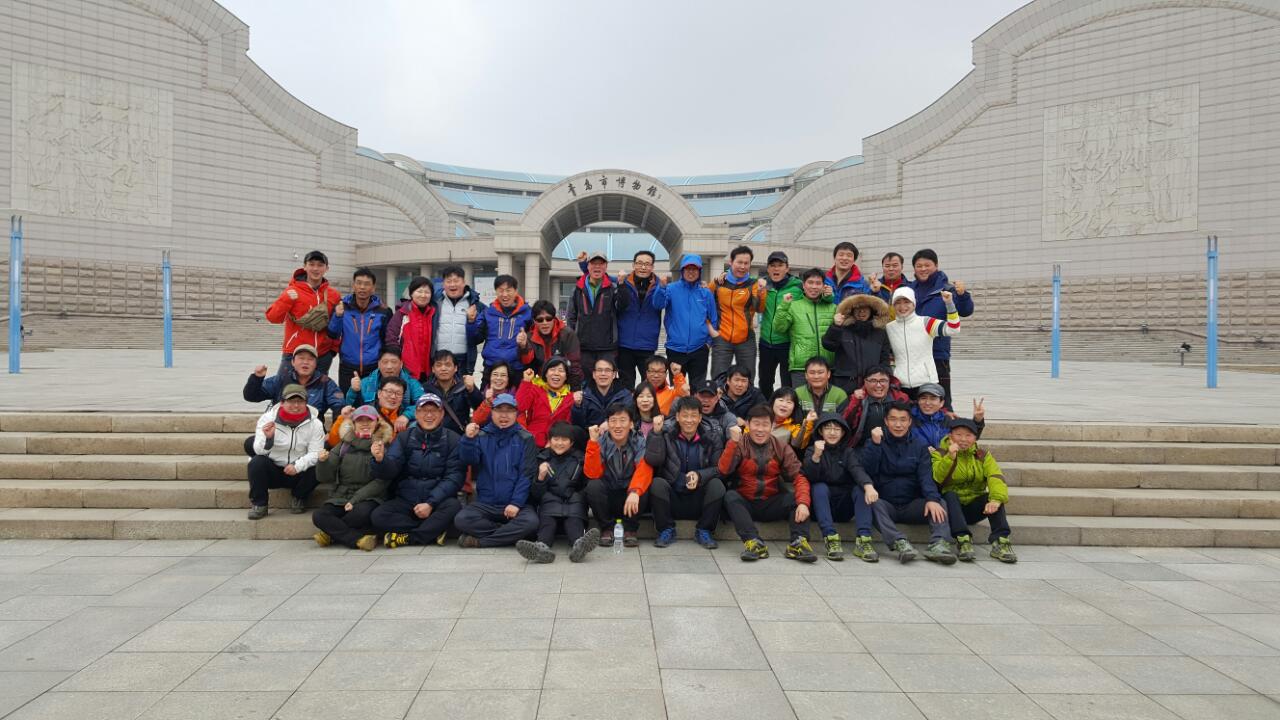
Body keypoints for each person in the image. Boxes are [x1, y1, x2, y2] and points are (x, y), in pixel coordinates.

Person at [860, 402, 956, 564]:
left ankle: (939, 544)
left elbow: (926, 476)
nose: (898, 425)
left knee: (939, 502)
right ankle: (899, 542)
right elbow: (868, 470)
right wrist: (875, 445)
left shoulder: (920, 445)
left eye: (903, 420)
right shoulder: (875, 442)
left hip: (912, 504)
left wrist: (932, 499)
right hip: (886, 503)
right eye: (893, 419)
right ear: (886, 421)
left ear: (910, 422)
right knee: (870, 502)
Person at [719, 405, 815, 563]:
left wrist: (803, 503)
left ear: (772, 426)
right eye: (756, 424)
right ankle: (753, 542)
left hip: (771, 502)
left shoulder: (781, 447)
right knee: (730, 496)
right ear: (748, 425)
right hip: (745, 503)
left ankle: (798, 543)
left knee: (797, 499)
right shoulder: (740, 443)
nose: (760, 429)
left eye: (765, 425)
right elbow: (724, 469)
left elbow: (799, 476)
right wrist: (732, 443)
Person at [370, 394, 465, 549]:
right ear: (416, 414)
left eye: (434, 411)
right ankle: (432, 530)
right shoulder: (404, 438)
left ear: (442, 414)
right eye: (424, 410)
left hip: (437, 501)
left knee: (453, 506)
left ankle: (409, 538)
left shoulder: (453, 439)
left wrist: (430, 503)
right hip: (407, 499)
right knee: (378, 516)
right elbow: (391, 469)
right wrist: (381, 460)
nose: (429, 415)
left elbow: (454, 477)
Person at [455, 394, 540, 547]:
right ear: (492, 412)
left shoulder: (526, 438)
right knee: (462, 519)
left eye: (509, 411)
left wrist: (516, 503)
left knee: (531, 522)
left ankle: (480, 542)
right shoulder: (482, 435)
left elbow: (527, 474)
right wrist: (468, 439)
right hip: (487, 504)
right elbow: (468, 460)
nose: (504, 415)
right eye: (499, 410)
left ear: (516, 414)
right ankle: (508, 533)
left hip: (516, 504)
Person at [645, 396, 725, 549]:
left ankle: (704, 530)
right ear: (677, 417)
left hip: (699, 498)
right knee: (657, 484)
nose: (689, 420)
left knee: (717, 485)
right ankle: (666, 529)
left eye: (693, 416)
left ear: (700, 418)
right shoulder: (666, 435)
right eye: (685, 415)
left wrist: (699, 476)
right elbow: (654, 460)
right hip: (673, 496)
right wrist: (655, 434)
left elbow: (719, 469)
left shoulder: (712, 438)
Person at [932, 417, 1015, 563]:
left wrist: (996, 500)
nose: (963, 439)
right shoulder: (939, 453)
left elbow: (995, 476)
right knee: (949, 494)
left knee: (993, 496)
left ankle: (1001, 542)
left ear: (975, 438)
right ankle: (963, 541)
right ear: (950, 436)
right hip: (951, 509)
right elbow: (937, 478)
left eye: (968, 435)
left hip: (973, 507)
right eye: (958, 434)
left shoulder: (982, 456)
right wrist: (950, 458)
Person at [517, 422, 601, 563]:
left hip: (574, 503)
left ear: (571, 442)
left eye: (564, 440)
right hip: (549, 504)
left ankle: (579, 546)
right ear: (549, 441)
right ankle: (541, 548)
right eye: (556, 439)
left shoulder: (580, 458)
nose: (560, 443)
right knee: (547, 524)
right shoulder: (541, 458)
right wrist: (540, 477)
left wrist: (579, 497)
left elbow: (587, 483)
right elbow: (536, 494)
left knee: (574, 522)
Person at [312, 405, 392, 551]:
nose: (365, 424)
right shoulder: (344, 446)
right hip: (341, 496)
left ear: (377, 423)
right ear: (353, 424)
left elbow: (383, 480)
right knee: (319, 515)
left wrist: (355, 499)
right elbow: (324, 477)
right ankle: (357, 539)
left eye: (369, 420)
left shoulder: (384, 445)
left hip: (371, 497)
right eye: (360, 420)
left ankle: (331, 533)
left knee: (361, 514)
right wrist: (322, 463)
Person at [802, 413, 877, 562]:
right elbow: (810, 476)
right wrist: (816, 456)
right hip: (820, 506)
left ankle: (864, 540)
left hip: (843, 506)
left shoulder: (848, 452)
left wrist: (868, 486)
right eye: (828, 428)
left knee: (860, 489)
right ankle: (831, 539)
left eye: (837, 429)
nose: (832, 432)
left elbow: (857, 469)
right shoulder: (812, 450)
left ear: (843, 433)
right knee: (819, 487)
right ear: (820, 431)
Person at [246, 384, 325, 519]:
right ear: (282, 403)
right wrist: (269, 439)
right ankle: (259, 504)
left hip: (298, 471)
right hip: (274, 470)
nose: (296, 406)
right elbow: (258, 451)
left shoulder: (315, 423)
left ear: (306, 403)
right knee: (256, 462)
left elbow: (315, 452)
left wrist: (297, 466)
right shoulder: (267, 419)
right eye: (291, 401)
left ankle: (299, 497)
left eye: (300, 401)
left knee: (321, 464)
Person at [908, 249, 975, 402]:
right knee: (916, 399)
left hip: (937, 354)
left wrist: (962, 295)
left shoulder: (947, 289)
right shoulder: (910, 290)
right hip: (914, 354)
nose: (923, 269)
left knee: (941, 400)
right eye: (919, 266)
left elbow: (965, 311)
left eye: (927, 265)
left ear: (936, 266)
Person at [584, 402, 653, 547]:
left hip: (630, 496)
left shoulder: (639, 441)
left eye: (622, 420)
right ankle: (607, 528)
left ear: (631, 424)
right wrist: (593, 443)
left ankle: (630, 529)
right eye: (613, 421)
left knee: (644, 487)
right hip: (608, 495)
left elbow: (643, 469)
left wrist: (635, 491)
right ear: (607, 424)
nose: (618, 426)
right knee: (593, 486)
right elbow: (593, 473)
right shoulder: (600, 441)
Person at [265, 250, 340, 376]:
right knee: (285, 387)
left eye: (320, 265)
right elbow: (273, 318)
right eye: (311, 264)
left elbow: (338, 324)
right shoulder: (292, 290)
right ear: (304, 266)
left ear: (327, 268)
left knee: (318, 389)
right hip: (294, 354)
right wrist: (286, 300)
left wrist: (332, 350)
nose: (315, 268)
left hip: (321, 356)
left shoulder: (334, 295)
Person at [886, 286, 960, 398]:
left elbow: (953, 329)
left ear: (914, 304)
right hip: (900, 385)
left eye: (906, 302)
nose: (902, 306)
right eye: (898, 303)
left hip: (926, 383)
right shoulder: (889, 328)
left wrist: (949, 304)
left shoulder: (926, 322)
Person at [327, 267, 392, 393]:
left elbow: (387, 340)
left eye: (367, 284)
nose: (362, 287)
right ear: (353, 286)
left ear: (373, 288)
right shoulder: (342, 307)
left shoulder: (384, 311)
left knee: (371, 401)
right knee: (348, 401)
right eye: (359, 283)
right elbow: (333, 334)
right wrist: (338, 316)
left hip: (373, 367)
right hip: (348, 366)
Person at [708, 245, 767, 382]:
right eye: (739, 262)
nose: (743, 266)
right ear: (731, 262)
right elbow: (704, 307)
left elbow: (759, 309)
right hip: (722, 337)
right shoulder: (717, 283)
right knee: (718, 379)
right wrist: (712, 331)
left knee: (747, 379)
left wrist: (761, 292)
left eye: (746, 263)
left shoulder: (754, 284)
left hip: (746, 339)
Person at [243, 344, 345, 422]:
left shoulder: (326, 382)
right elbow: (251, 396)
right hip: (282, 428)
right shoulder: (281, 379)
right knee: (251, 442)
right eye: (301, 358)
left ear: (315, 364)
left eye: (310, 359)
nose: (305, 362)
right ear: (293, 362)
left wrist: (334, 432)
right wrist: (256, 378)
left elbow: (339, 405)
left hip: (312, 431)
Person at [615, 250, 670, 389]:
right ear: (633, 265)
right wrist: (585, 265)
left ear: (652, 267)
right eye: (639, 263)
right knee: (625, 384)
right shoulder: (623, 281)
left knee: (649, 385)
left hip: (647, 344)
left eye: (647, 264)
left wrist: (662, 288)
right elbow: (599, 275)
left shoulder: (659, 284)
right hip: (624, 343)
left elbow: (660, 305)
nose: (643, 267)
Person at [773, 268, 837, 387]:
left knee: (827, 399)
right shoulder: (793, 306)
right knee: (801, 398)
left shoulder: (832, 307)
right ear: (803, 285)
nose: (814, 286)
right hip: (801, 367)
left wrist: (829, 297)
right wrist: (783, 306)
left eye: (818, 283)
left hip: (827, 366)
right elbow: (779, 328)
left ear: (824, 286)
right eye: (810, 282)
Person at [567, 252, 629, 373]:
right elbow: (571, 317)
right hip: (583, 347)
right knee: (584, 381)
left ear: (606, 267)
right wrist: (573, 341)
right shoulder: (577, 289)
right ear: (588, 266)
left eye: (601, 264)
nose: (597, 267)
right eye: (594, 263)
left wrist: (622, 285)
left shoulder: (613, 288)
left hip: (607, 348)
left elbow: (622, 307)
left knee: (605, 380)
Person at [663, 254, 719, 385]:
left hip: (699, 349)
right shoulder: (671, 289)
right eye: (688, 268)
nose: (691, 272)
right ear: (682, 270)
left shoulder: (705, 293)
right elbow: (658, 304)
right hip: (675, 349)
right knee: (677, 389)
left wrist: (708, 343)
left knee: (698, 389)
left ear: (700, 271)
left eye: (695, 269)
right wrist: (660, 288)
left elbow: (713, 319)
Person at [823, 293, 892, 394]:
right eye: (857, 308)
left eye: (865, 308)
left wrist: (881, 381)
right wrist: (836, 326)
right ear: (851, 310)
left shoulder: (880, 332)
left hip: (872, 385)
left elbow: (884, 360)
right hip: (844, 384)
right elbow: (828, 345)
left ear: (872, 310)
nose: (861, 311)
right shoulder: (842, 328)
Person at [468, 275, 533, 381]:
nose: (504, 294)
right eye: (501, 290)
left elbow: (535, 340)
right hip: (491, 368)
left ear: (516, 291)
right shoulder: (487, 313)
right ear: (496, 291)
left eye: (508, 290)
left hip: (517, 369)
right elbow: (475, 339)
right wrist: (471, 322)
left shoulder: (528, 313)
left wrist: (525, 343)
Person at [758, 251, 803, 398]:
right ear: (768, 269)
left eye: (780, 265)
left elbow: (815, 295)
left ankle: (786, 408)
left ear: (787, 268)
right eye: (772, 265)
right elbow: (741, 280)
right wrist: (725, 274)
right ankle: (766, 407)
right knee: (765, 381)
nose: (776, 269)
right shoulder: (762, 286)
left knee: (787, 382)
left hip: (787, 343)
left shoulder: (798, 287)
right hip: (766, 343)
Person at [344, 348, 425, 423]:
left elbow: (423, 404)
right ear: (379, 364)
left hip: (402, 423)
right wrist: (354, 391)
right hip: (371, 423)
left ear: (401, 364)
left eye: (394, 362)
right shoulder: (366, 382)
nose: (389, 367)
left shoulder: (412, 383)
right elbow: (352, 407)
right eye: (385, 362)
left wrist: (406, 415)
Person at [520, 300, 584, 390]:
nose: (545, 323)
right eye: (540, 320)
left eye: (548, 318)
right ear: (534, 321)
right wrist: (523, 347)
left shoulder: (567, 335)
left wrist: (574, 391)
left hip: (565, 385)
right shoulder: (529, 337)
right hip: (540, 384)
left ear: (554, 318)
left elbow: (575, 366)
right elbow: (527, 363)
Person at [840, 365, 910, 448]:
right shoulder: (858, 398)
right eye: (873, 381)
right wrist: (855, 402)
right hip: (863, 448)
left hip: (895, 447)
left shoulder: (900, 398)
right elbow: (845, 423)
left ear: (889, 382)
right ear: (865, 382)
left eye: (883, 381)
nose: (878, 385)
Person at [327, 376, 410, 446]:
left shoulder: (406, 417)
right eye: (389, 392)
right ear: (379, 393)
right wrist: (343, 419)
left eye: (398, 393)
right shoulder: (364, 413)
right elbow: (333, 442)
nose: (393, 396)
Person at [434, 265, 483, 380]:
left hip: (463, 361)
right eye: (448, 281)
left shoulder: (475, 305)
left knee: (462, 389)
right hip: (438, 359)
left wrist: (471, 321)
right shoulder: (435, 303)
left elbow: (479, 337)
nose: (452, 285)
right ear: (443, 284)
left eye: (456, 281)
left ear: (464, 282)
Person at [515, 357, 577, 447]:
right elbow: (519, 406)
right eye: (552, 369)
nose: (556, 373)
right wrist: (526, 381)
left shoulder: (572, 398)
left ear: (566, 376)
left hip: (558, 446)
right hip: (533, 443)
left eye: (561, 370)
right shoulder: (535, 390)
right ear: (546, 374)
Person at [385, 276, 437, 382]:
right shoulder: (402, 314)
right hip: (406, 371)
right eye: (419, 291)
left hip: (429, 371)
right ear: (411, 293)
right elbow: (391, 338)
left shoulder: (434, 314)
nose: (423, 295)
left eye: (427, 292)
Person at [421, 350, 482, 435]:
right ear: (433, 369)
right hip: (432, 435)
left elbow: (480, 408)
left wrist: (472, 390)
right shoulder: (425, 388)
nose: (443, 368)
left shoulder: (464, 386)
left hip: (458, 435)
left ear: (455, 368)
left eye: (448, 365)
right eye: (438, 365)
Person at [912, 386, 985, 449]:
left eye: (933, 399)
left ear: (941, 403)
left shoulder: (949, 420)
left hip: (946, 459)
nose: (927, 402)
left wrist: (978, 420)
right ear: (918, 401)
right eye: (923, 398)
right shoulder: (909, 420)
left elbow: (970, 437)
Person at [573, 357, 634, 429]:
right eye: (599, 370)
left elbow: (628, 419)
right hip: (590, 432)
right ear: (594, 374)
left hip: (616, 431)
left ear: (614, 374)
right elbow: (578, 424)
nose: (603, 374)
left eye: (607, 370)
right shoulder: (584, 394)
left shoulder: (624, 395)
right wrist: (577, 407)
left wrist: (609, 423)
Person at [690, 379, 739, 447]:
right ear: (695, 396)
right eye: (702, 396)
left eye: (710, 396)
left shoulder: (728, 418)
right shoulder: (689, 416)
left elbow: (733, 444)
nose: (706, 400)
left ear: (717, 398)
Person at [470, 361, 514, 426]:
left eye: (503, 375)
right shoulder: (484, 394)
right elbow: (475, 421)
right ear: (489, 377)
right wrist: (487, 403)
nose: (498, 378)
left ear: (508, 379)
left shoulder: (515, 397)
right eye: (495, 374)